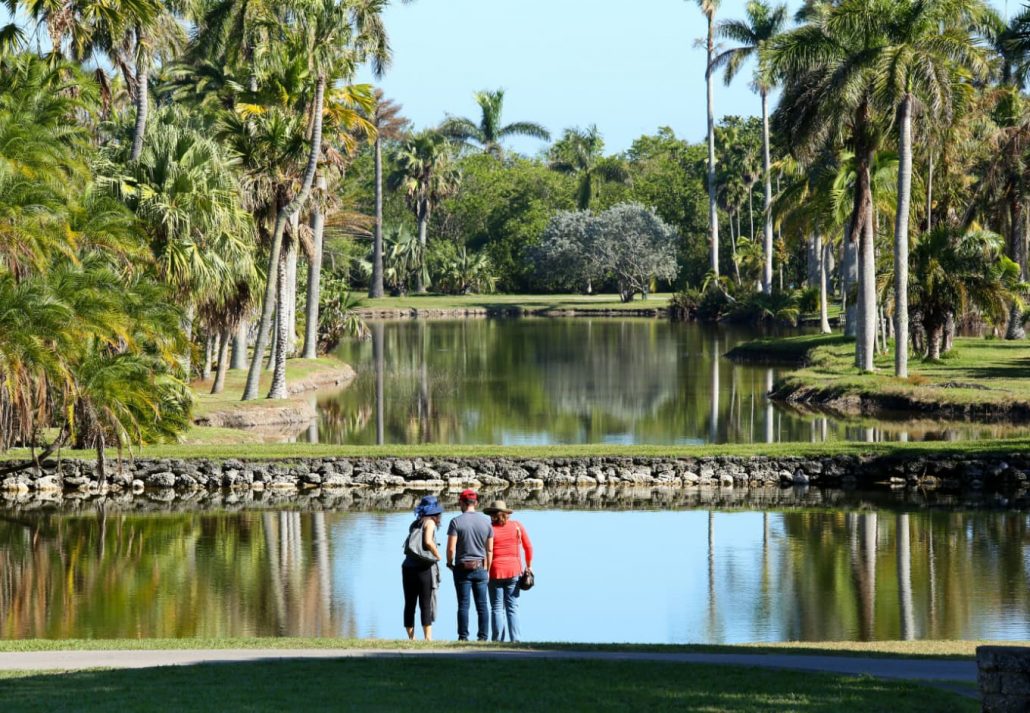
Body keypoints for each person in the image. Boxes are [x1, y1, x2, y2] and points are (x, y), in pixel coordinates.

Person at [446, 489, 494, 641]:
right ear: (476, 503)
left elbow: (451, 548)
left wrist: (449, 562)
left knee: (463, 604)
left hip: (461, 568)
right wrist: (487, 568)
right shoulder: (487, 521)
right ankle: (483, 637)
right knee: (482, 605)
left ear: (461, 502)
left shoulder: (456, 521)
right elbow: (490, 549)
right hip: (481, 567)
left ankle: (463, 636)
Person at [483, 499, 533, 642]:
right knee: (513, 607)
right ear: (506, 514)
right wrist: (529, 565)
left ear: (491, 515)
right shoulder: (517, 526)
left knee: (497, 608)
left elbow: (486, 550)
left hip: (494, 571)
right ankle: (516, 640)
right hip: (514, 571)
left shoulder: (488, 529)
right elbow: (528, 547)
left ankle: (497, 640)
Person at [402, 495, 442, 640]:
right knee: (425, 603)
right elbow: (428, 542)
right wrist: (438, 555)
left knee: (409, 603)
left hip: (407, 566)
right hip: (423, 568)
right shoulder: (430, 523)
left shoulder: (416, 523)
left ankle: (411, 638)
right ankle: (428, 638)